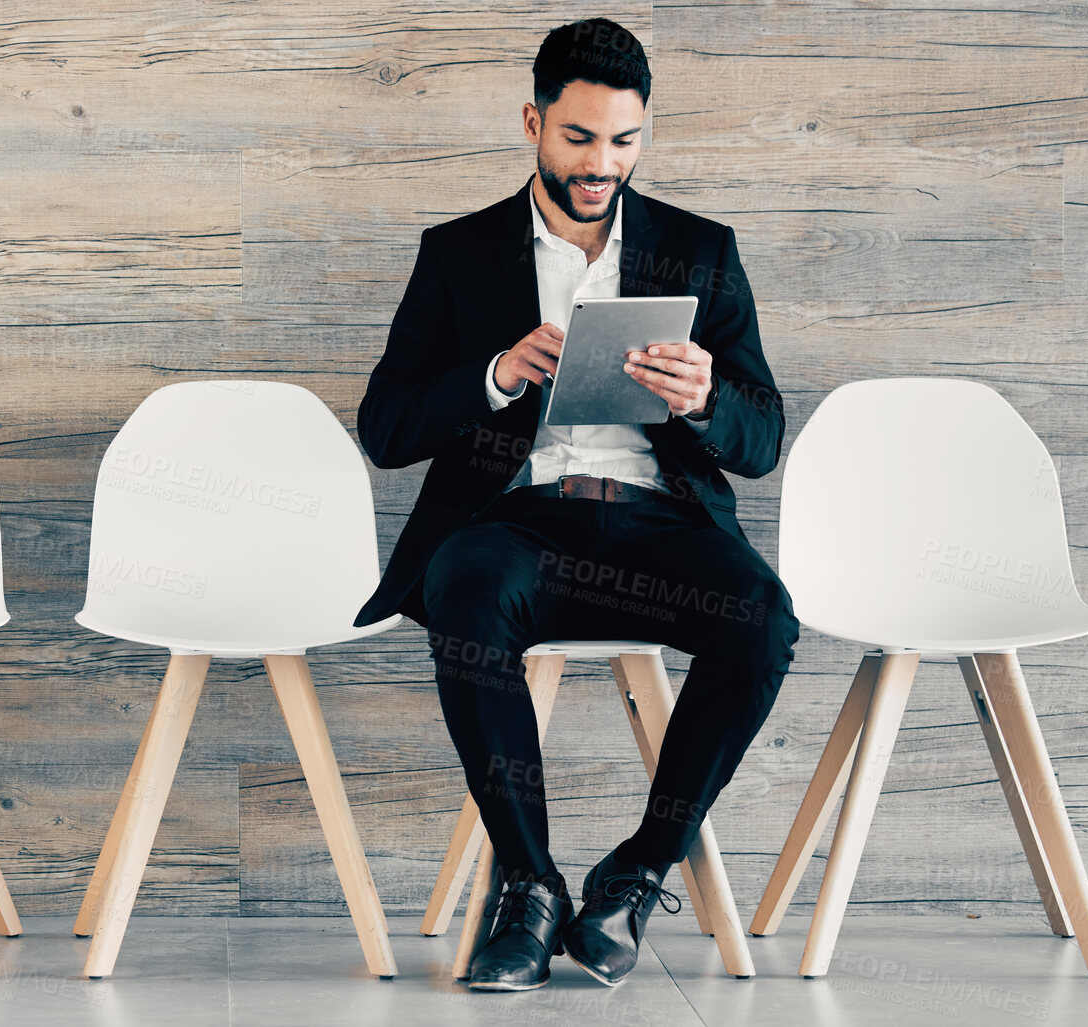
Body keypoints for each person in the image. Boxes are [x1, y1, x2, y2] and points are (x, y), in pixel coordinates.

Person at [351, 17, 800, 992]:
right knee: (462, 577)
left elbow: (762, 440)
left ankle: (638, 870)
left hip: (656, 521)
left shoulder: (700, 251)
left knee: (764, 615)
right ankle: (528, 885)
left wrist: (704, 398)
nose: (603, 164)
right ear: (533, 123)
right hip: (522, 523)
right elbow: (384, 429)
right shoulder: (461, 255)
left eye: (625, 140)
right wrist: (498, 375)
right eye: (580, 138)